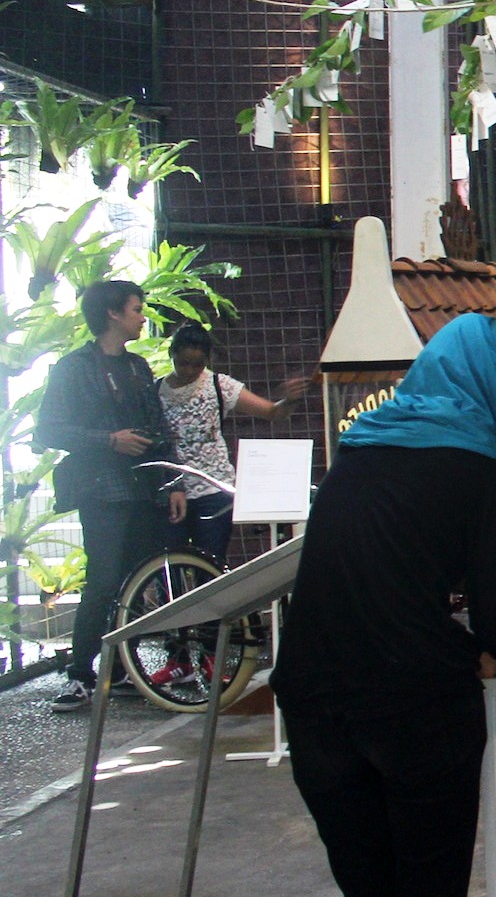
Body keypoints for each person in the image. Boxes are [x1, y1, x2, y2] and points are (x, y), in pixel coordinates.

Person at [272, 314, 496, 897]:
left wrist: (468, 649)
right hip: (413, 707)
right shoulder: (487, 471)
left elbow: (375, 582)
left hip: (312, 699)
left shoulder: (361, 445)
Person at [35, 279, 187, 713]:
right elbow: (49, 430)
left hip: (143, 487)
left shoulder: (138, 367)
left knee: (138, 582)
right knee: (103, 579)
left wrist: (174, 482)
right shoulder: (73, 367)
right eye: (137, 309)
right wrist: (108, 439)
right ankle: (80, 674)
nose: (143, 317)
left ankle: (123, 668)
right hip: (101, 489)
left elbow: (159, 428)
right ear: (112, 314)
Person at [154, 324, 310, 563]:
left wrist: (289, 400)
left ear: (208, 360)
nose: (189, 370)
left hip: (214, 491)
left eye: (198, 364)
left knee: (211, 561)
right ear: (171, 354)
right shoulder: (155, 392)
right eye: (183, 362)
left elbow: (271, 413)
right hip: (172, 491)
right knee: (169, 564)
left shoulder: (219, 385)